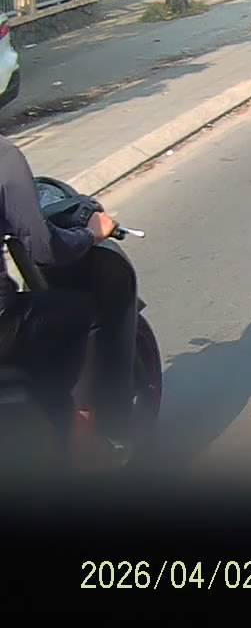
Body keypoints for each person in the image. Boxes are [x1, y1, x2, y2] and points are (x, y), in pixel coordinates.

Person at [0, 135, 133, 465]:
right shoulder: (4, 155)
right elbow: (45, 249)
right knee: (88, 313)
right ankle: (83, 432)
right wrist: (90, 234)